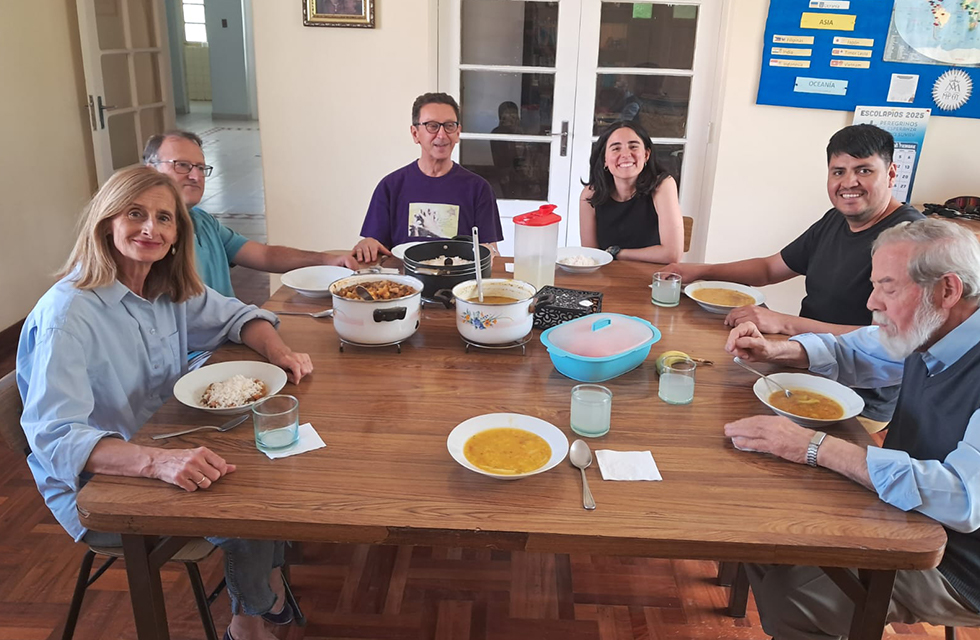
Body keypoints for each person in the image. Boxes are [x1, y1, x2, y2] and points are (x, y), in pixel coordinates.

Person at [16, 166, 313, 640]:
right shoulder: (68, 315)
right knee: (251, 509)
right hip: (100, 483)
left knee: (273, 472)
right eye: (135, 214)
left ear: (177, 235)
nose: (150, 229)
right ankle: (247, 624)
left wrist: (280, 354)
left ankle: (265, 590)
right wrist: (158, 463)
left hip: (165, 436)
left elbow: (238, 317)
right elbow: (56, 438)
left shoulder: (163, 287)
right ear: (106, 223)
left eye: (164, 218)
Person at [723, 218, 980, 638]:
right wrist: (774, 350)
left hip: (959, 562)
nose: (872, 302)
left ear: (947, 290)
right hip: (900, 510)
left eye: (888, 288)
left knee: (794, 600)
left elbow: (964, 500)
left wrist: (816, 446)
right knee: (757, 523)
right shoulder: (933, 326)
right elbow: (854, 350)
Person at [665, 124, 924, 424]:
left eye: (864, 170)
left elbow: (889, 341)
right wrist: (700, 270)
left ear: (891, 174)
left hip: (853, 401)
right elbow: (769, 268)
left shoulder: (911, 240)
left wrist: (784, 322)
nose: (848, 182)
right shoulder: (834, 220)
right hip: (799, 365)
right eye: (838, 172)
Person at [144, 130, 357, 299]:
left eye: (200, 168)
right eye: (182, 165)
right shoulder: (147, 239)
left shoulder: (203, 221)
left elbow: (265, 255)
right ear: (150, 170)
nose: (195, 176)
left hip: (230, 330)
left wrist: (325, 259)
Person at [353, 92, 504, 263]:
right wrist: (367, 244)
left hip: (459, 278)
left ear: (457, 133)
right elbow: (375, 245)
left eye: (449, 126)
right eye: (432, 126)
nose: (442, 135)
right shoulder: (391, 186)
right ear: (415, 133)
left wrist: (489, 252)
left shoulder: (478, 188)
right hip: (404, 277)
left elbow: (490, 249)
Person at [579, 121, 684, 264]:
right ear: (604, 159)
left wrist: (616, 253)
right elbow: (590, 257)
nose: (626, 154)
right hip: (606, 275)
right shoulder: (590, 194)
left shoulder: (662, 185)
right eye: (616, 148)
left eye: (633, 146)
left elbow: (672, 254)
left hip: (654, 274)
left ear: (646, 154)